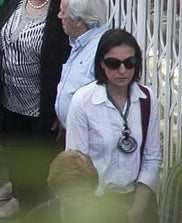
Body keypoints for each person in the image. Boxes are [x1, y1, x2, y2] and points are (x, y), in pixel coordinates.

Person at [0, 0, 69, 217]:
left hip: (40, 102)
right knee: (13, 149)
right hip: (9, 95)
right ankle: (18, 193)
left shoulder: (60, 7)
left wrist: (60, 107)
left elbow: (67, 59)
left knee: (38, 159)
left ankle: (30, 205)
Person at [66, 29, 160, 222]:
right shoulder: (83, 101)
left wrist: (135, 212)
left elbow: (151, 158)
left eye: (130, 63)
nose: (123, 70)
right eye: (113, 64)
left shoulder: (146, 98)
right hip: (98, 203)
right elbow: (76, 165)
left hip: (137, 198)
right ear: (101, 63)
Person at [24, 150, 133, 223]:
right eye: (69, 195)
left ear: (93, 187)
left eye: (84, 193)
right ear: (57, 192)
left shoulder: (115, 216)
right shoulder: (37, 218)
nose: (78, 203)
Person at [55, 0, 110, 127]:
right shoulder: (79, 43)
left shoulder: (102, 49)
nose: (59, 16)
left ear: (78, 20)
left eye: (63, 12)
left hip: (92, 137)